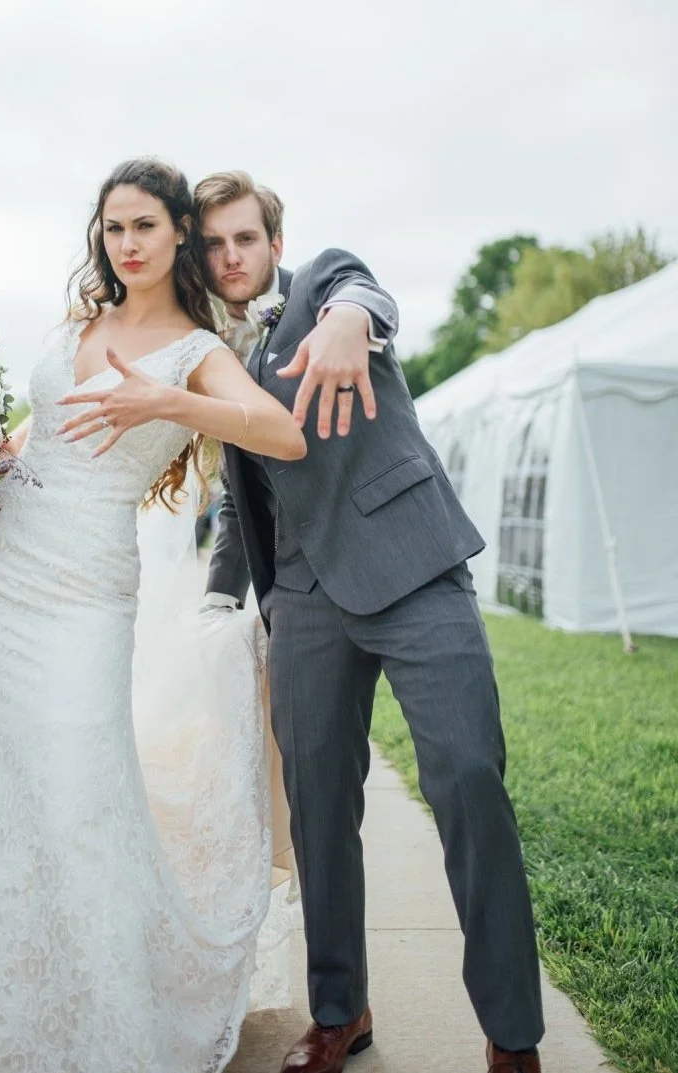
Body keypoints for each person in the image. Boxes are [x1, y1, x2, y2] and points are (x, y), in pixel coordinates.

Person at [0, 158, 307, 1073]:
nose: (127, 243)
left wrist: (170, 400)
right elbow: (34, 439)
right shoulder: (77, 323)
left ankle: (104, 1027)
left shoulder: (200, 349)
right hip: (2, 573)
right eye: (114, 227)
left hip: (87, 590)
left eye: (145, 225)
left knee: (81, 794)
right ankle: (1, 1020)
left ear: (179, 233)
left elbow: (284, 432)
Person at [119, 170, 546, 1073]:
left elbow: (365, 292)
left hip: (414, 568)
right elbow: (242, 497)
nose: (230, 256)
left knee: (470, 777)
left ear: (274, 242)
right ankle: (340, 1010)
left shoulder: (323, 285)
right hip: (306, 600)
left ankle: (514, 1035)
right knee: (317, 809)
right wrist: (228, 596)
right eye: (213, 244)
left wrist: (351, 318)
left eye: (245, 238)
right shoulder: (213, 350)